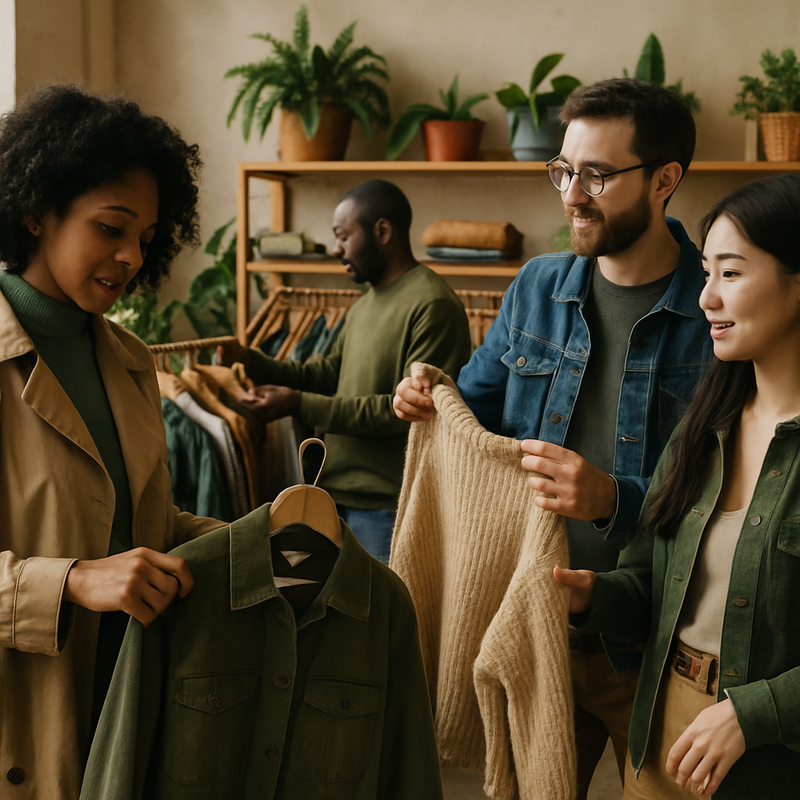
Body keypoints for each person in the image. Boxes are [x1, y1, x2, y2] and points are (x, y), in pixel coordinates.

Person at [393, 78, 713, 797]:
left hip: (657, 643)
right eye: (563, 170)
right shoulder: (537, 287)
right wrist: (427, 392)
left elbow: (731, 485)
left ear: (665, 180)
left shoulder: (714, 305)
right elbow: (471, 403)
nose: (572, 193)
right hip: (534, 622)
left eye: (597, 174)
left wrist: (613, 498)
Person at [0, 84, 223, 798]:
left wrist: (252, 537)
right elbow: (95, 564)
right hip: (24, 731)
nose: (131, 256)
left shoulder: (130, 362)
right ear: (37, 212)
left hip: (128, 720)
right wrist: (68, 581)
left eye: (147, 240)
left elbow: (141, 525)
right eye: (110, 228)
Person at [556, 173, 800, 799]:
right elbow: (650, 585)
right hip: (666, 735)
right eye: (706, 273)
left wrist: (754, 712)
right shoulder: (704, 428)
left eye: (731, 273)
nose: (705, 299)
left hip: (772, 760)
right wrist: (589, 596)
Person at [219, 179, 471, 564]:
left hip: (387, 507)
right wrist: (253, 361)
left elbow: (402, 412)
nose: (336, 248)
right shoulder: (362, 305)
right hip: (329, 497)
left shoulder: (433, 305)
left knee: (376, 623)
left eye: (342, 236)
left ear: (382, 231)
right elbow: (326, 372)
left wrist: (299, 403)